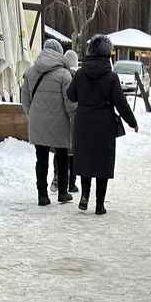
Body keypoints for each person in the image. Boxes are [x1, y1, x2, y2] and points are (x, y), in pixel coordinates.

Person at [65, 34, 138, 215]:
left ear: (90, 53)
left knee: (86, 160)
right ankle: (99, 205)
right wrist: (132, 122)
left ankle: (84, 197)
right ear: (107, 56)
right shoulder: (111, 77)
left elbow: (71, 95)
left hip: (83, 122)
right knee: (102, 163)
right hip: (104, 124)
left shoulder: (80, 74)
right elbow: (121, 103)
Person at [20, 36, 76, 207]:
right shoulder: (65, 75)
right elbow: (70, 103)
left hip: (37, 122)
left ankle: (42, 195)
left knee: (41, 158)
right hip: (60, 123)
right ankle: (63, 192)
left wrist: (34, 117)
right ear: (59, 53)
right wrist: (74, 121)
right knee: (62, 156)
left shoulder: (30, 72)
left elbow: (25, 100)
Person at [60, 48, 80, 194]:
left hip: (61, 117)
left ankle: (57, 176)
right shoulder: (77, 76)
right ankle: (72, 183)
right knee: (73, 154)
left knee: (60, 151)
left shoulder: (61, 74)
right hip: (74, 116)